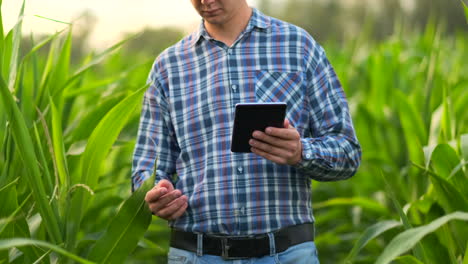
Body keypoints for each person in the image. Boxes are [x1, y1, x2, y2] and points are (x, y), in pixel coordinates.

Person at [131, 0, 361, 263]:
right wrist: (156, 192)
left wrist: (301, 152)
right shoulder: (167, 68)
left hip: (287, 254)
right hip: (197, 255)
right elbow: (146, 168)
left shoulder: (298, 47)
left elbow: (347, 151)